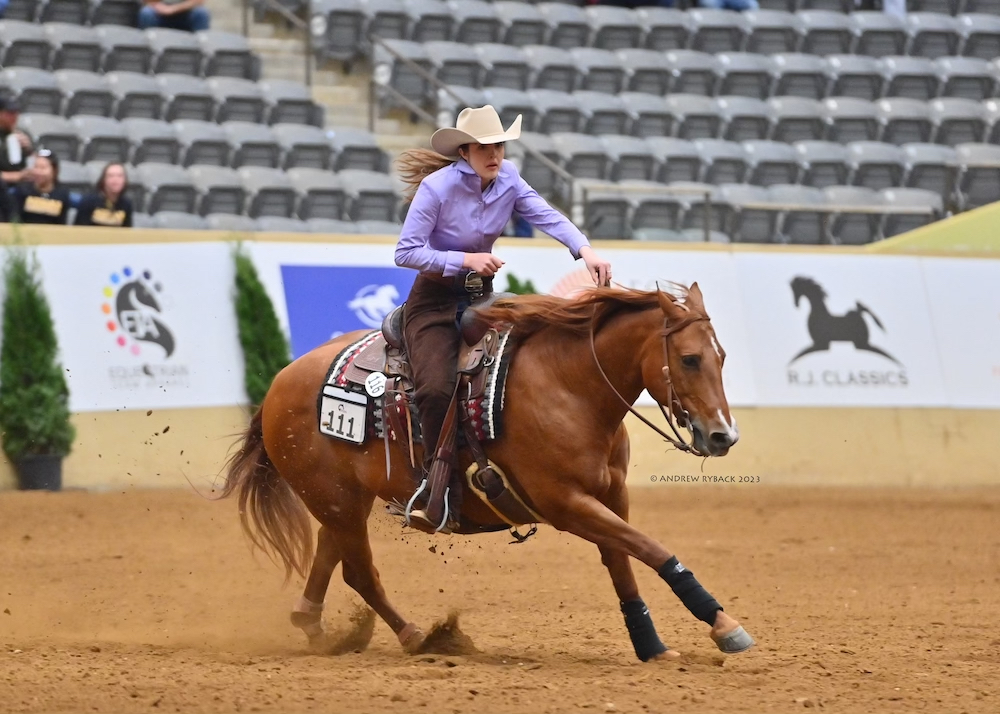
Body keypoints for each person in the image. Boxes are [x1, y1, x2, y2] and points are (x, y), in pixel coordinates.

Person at [394, 105, 612, 534]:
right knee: (436, 388)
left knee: (530, 362)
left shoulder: (509, 177)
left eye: (499, 145)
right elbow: (405, 252)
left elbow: (545, 214)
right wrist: (465, 259)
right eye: (485, 146)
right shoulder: (437, 189)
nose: (495, 153)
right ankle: (436, 489)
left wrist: (584, 249)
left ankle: (525, 464)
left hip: (481, 298)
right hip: (433, 302)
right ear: (465, 150)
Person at [11, 150, 70, 225]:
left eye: (43, 168)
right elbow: (15, 219)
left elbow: (62, 223)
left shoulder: (62, 193)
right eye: (36, 167)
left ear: (55, 171)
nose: (38, 172)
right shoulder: (22, 190)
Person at [74, 162, 134, 228]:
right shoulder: (88, 201)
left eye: (120, 176)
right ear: (103, 180)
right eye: (111, 176)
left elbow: (126, 232)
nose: (116, 179)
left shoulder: (126, 204)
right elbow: (79, 231)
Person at [0, 94, 33, 186]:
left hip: (21, 187)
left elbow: (35, 164)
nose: (15, 116)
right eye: (10, 113)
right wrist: (16, 176)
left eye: (16, 112)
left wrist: (29, 150)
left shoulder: (22, 134)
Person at [138, 0, 211, 32]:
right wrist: (159, 7)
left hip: (186, 13)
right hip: (160, 13)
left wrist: (173, 9)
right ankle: (149, 47)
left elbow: (198, 1)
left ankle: (201, 49)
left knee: (201, 13)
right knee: (146, 13)